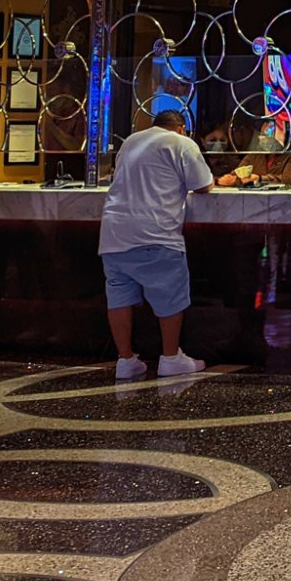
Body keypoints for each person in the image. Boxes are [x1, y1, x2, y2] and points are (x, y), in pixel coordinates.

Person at [99, 100, 213, 379]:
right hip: (155, 232)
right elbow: (203, 185)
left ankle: (125, 360)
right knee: (169, 295)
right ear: (181, 128)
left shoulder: (130, 142)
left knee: (119, 297)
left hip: (113, 233)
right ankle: (171, 357)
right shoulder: (181, 143)